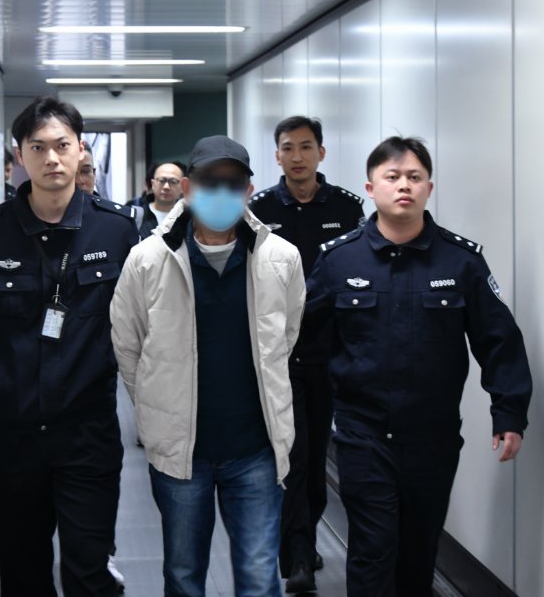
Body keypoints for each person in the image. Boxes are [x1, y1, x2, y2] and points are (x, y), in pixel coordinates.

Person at [0, 96, 139, 596]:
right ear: (20, 156)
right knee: (23, 573)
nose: (51, 158)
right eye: (37, 148)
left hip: (88, 432)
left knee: (89, 569)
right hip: (13, 434)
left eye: (62, 145)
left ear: (80, 150)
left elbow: (149, 322)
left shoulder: (117, 231)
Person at [303, 136, 533, 597]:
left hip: (433, 438)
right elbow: (301, 339)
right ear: (371, 188)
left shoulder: (462, 261)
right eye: (392, 177)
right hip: (363, 435)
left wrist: (509, 413)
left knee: (417, 554)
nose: (404, 185)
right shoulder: (339, 259)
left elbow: (498, 340)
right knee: (372, 549)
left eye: (414, 177)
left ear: (429, 187)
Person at [110, 135, 306, 597]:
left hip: (257, 449)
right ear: (187, 188)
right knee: (183, 574)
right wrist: (156, 407)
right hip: (181, 453)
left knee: (259, 577)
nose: (221, 192)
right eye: (209, 181)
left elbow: (286, 337)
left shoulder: (281, 258)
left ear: (249, 191)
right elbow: (127, 345)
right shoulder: (147, 259)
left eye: (232, 184)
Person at [249, 116, 365, 593]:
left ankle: (303, 537)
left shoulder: (347, 208)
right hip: (275, 355)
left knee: (316, 458)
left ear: (321, 152)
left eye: (305, 146)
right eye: (287, 148)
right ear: (276, 155)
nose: (296, 156)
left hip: (327, 353)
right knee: (289, 455)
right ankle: (296, 552)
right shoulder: (258, 209)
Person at [136, 160, 186, 239]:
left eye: (173, 182)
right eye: (161, 181)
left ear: (183, 187)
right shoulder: (137, 216)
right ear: (153, 184)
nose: (166, 187)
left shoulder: (189, 219)